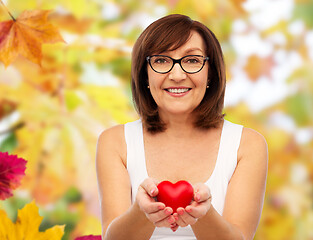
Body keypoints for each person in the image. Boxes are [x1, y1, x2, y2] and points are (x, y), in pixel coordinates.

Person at [96, 14, 268, 240]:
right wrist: (141, 212)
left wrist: (203, 214)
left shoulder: (247, 145)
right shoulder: (115, 141)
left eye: (192, 60)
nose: (177, 75)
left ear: (211, 73)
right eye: (161, 60)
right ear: (144, 74)